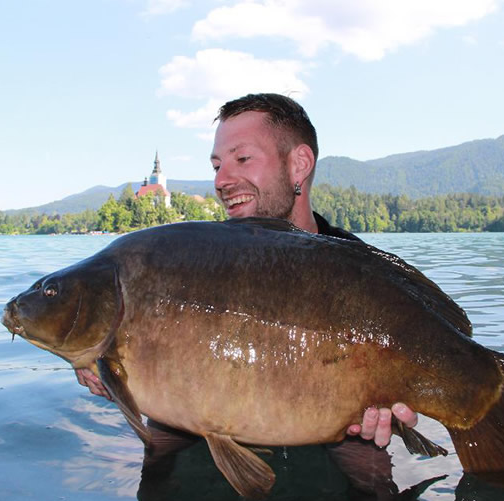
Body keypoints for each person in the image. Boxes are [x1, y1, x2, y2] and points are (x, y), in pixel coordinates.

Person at [76, 92, 418, 448]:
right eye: (216, 166)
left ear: (299, 164)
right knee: (170, 470)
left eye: (242, 158)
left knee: (364, 473)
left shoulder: (366, 276)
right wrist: (95, 354)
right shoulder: (187, 261)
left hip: (338, 453)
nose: (222, 181)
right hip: (198, 451)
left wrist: (399, 411)